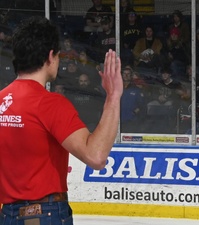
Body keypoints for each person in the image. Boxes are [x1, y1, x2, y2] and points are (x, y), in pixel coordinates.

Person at [0, 16, 123, 225]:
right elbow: (96, 156)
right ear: (50, 56)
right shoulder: (49, 104)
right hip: (46, 214)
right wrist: (113, 96)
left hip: (8, 215)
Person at [120, 67, 145, 133]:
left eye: (128, 74)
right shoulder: (117, 88)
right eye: (124, 74)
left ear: (131, 76)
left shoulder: (136, 89)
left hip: (131, 121)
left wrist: (134, 113)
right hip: (118, 121)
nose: (126, 75)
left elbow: (142, 105)